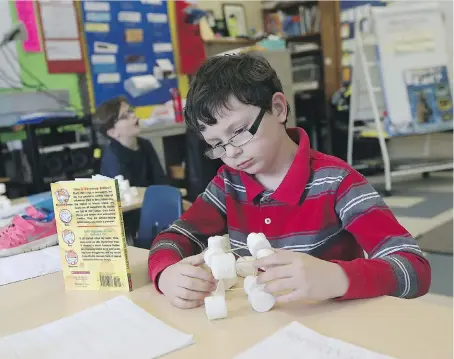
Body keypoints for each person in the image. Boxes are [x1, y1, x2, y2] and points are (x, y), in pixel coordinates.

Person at [148, 53, 431, 309]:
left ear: (279, 108)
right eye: (216, 144)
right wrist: (167, 275)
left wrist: (338, 278)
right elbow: (175, 237)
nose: (232, 152)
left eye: (240, 132)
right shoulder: (228, 182)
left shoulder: (337, 181)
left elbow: (415, 269)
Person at [94, 96, 167, 187]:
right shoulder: (113, 158)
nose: (133, 115)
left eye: (130, 111)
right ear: (113, 132)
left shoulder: (145, 144)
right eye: (125, 116)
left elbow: (160, 180)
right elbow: (129, 193)